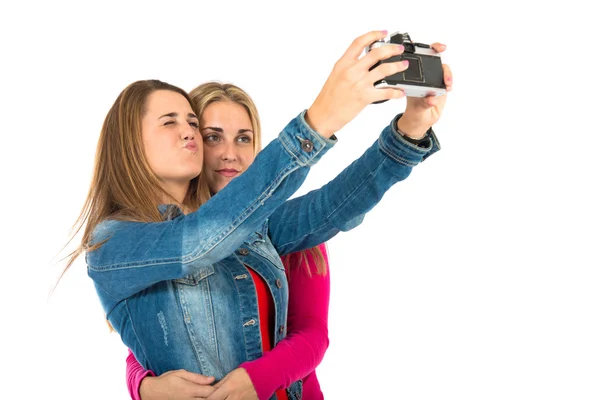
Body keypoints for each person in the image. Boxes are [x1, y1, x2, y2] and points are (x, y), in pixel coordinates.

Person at [63, 30, 452, 400]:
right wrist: (319, 120)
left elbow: (331, 206)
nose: (190, 134)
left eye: (192, 123)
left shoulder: (255, 229)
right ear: (130, 141)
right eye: (171, 122)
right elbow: (192, 249)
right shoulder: (112, 241)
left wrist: (409, 132)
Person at [124, 82, 332, 400]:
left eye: (243, 139)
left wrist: (256, 380)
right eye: (213, 137)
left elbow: (312, 334)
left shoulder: (292, 226)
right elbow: (145, 338)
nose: (230, 154)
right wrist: (144, 387)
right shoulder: (164, 237)